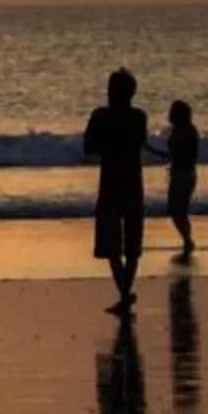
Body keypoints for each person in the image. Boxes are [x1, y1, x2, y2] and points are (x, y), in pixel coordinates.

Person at [84, 68, 149, 315]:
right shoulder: (137, 117)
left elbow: (89, 147)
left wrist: (106, 140)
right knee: (130, 243)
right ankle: (124, 292)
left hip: (112, 183)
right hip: (131, 183)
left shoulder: (101, 116)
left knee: (113, 243)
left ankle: (124, 293)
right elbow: (139, 142)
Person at [154, 99, 201, 259]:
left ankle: (187, 240)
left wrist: (167, 154)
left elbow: (178, 152)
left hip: (181, 174)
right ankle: (187, 239)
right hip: (189, 173)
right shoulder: (190, 130)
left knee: (176, 210)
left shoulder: (181, 131)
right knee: (180, 211)